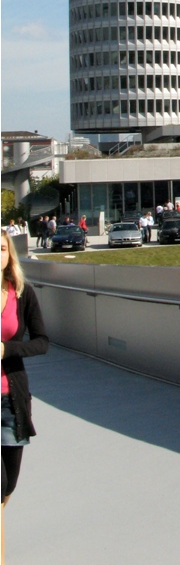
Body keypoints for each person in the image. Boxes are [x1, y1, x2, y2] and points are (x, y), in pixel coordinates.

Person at [1, 228, 49, 543]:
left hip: (11, 400)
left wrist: (7, 350)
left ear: (9, 255)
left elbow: (42, 342)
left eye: (2, 249)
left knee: (9, 484)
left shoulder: (22, 293)